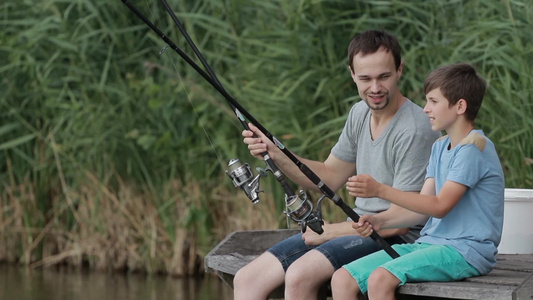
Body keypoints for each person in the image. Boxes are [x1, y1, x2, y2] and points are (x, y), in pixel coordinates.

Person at [233, 29, 441, 300]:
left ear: (400, 70)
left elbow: (399, 222)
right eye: (365, 78)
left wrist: (330, 231)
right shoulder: (359, 113)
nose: (375, 88)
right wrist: (275, 152)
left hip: (399, 240)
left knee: (299, 275)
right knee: (247, 279)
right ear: (352, 74)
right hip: (357, 229)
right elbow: (329, 177)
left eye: (383, 77)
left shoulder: (415, 128)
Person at [330, 63, 505, 300]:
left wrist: (380, 190)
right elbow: (422, 208)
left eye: (433, 101)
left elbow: (440, 206)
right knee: (342, 278)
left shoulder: (473, 147)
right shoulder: (440, 146)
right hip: (429, 245)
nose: (425, 109)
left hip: (465, 251)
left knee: (380, 278)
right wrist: (381, 221)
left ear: (460, 106)